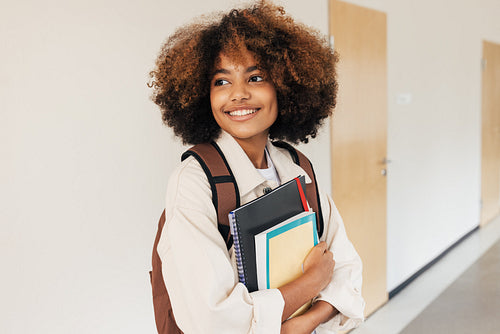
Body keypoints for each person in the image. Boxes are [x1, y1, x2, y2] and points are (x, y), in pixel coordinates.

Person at [149, 1, 365, 333]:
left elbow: (347, 268)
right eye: (221, 81)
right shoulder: (195, 183)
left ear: (285, 86)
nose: (238, 94)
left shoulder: (297, 167)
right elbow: (215, 318)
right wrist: (312, 282)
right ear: (201, 94)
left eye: (256, 77)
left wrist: (302, 323)